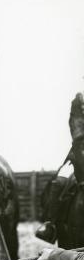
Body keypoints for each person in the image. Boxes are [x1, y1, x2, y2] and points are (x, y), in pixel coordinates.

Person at [35, 92, 84, 243]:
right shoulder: (80, 99)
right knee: (61, 180)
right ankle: (51, 224)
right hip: (81, 151)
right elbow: (77, 131)